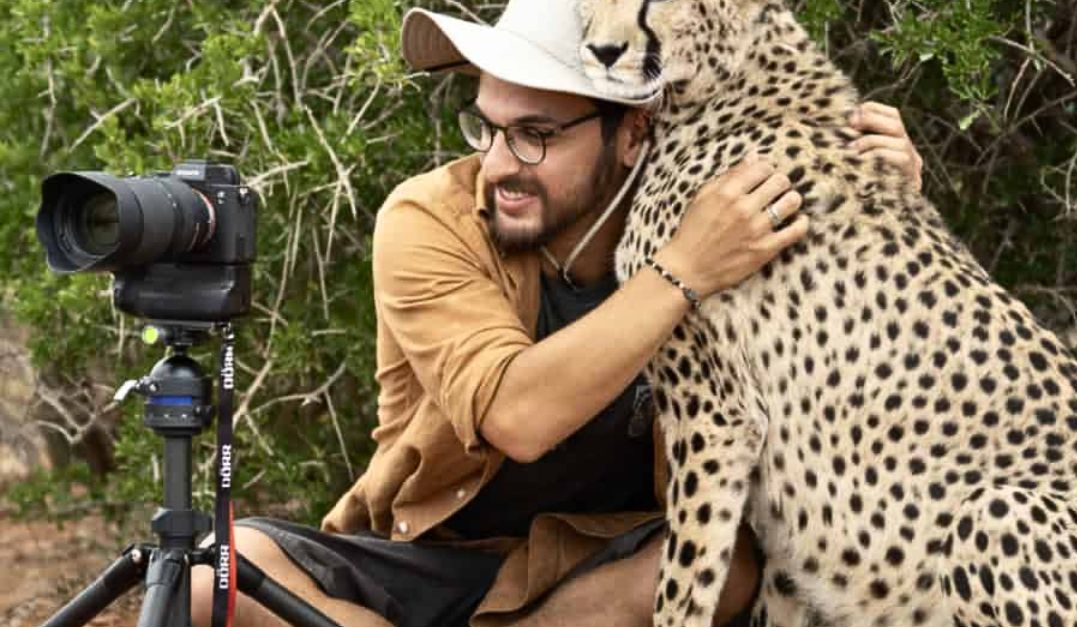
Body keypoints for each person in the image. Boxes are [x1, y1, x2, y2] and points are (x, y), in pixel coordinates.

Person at [190, 0, 924, 625]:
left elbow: (862, 396)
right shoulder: (429, 216)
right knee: (212, 575)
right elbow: (518, 415)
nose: (498, 163)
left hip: (610, 569)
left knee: (722, 561)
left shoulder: (717, 215)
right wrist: (684, 272)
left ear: (633, 133)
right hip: (435, 558)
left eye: (535, 135)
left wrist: (880, 212)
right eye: (487, 127)